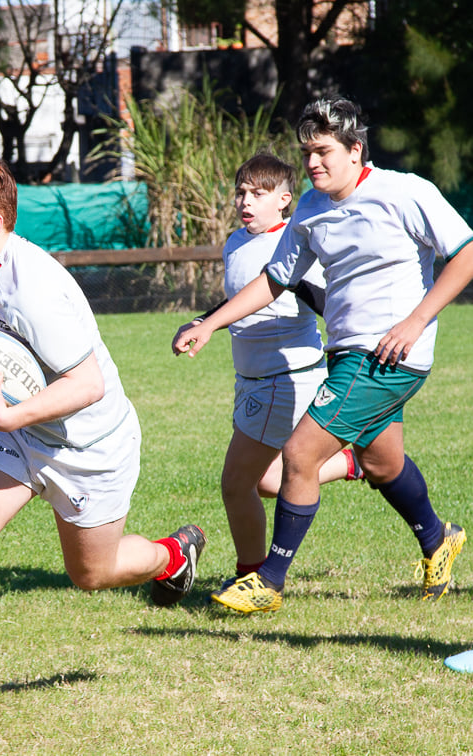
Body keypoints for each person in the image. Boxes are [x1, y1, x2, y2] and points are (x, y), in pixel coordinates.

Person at [0, 154, 205, 729]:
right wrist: (6, 412)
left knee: (92, 574)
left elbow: (89, 385)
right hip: (16, 429)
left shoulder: (33, 291)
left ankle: (172, 556)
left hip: (89, 446)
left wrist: (12, 416)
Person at [175, 98, 472, 613]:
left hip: (391, 355)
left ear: (356, 150)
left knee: (300, 454)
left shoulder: (404, 192)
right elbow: (274, 280)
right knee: (382, 463)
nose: (313, 163)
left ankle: (268, 579)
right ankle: (437, 538)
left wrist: (416, 319)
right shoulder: (311, 209)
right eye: (307, 153)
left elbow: (465, 252)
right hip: (347, 354)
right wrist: (210, 323)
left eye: (323, 152)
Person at [170, 153, 364, 591]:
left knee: (237, 483)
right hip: (255, 379)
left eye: (258, 194)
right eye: (241, 192)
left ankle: (252, 576)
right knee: (270, 481)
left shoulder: (293, 245)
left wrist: (354, 350)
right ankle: (350, 463)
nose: (246, 201)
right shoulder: (235, 241)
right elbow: (244, 298)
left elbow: (323, 302)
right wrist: (204, 323)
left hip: (284, 378)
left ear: (284, 200)